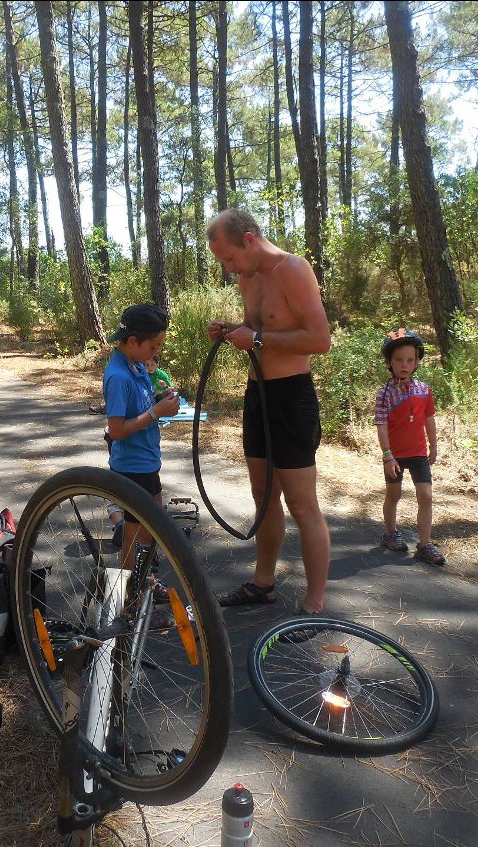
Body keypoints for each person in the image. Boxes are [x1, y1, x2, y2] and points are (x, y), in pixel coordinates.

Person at [205, 209, 332, 615]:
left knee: (302, 505)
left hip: (292, 398)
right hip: (257, 394)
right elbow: (258, 331)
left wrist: (256, 338)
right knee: (263, 497)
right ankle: (263, 584)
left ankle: (314, 604)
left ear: (248, 239)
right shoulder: (248, 278)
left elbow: (320, 339)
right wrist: (233, 331)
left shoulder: (293, 269)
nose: (228, 268)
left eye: (229, 258)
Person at [103, 303, 181, 568]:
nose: (156, 353)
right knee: (134, 535)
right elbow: (116, 430)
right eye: (154, 346)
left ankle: (145, 580)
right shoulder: (118, 376)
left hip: (147, 462)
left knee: (152, 524)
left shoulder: (136, 366)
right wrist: (157, 413)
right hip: (132, 467)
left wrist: (164, 400)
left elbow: (144, 406)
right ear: (133, 340)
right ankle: (131, 594)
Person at [375, 328, 446, 566]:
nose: (404, 365)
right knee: (393, 495)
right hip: (394, 455)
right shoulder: (384, 394)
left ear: (417, 362)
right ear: (389, 362)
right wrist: (387, 456)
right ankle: (390, 533)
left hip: (418, 453)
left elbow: (429, 418)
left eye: (409, 360)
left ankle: (425, 545)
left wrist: (433, 445)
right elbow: (382, 425)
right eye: (398, 360)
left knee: (425, 496)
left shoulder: (424, 390)